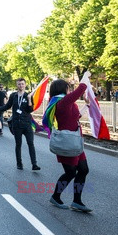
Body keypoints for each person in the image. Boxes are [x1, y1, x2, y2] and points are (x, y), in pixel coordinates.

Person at [45, 71, 92, 213]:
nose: (69, 90)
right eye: (67, 87)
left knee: (83, 170)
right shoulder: (62, 102)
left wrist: (87, 105)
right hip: (66, 143)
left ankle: (77, 201)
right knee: (70, 172)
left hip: (75, 142)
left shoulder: (65, 103)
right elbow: (81, 89)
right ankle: (56, 196)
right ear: (62, 89)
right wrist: (85, 76)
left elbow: (75, 117)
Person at [0, 78, 40, 170]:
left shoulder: (28, 96)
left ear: (25, 85)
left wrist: (30, 99)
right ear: (16, 85)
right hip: (16, 124)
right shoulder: (13, 96)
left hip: (26, 124)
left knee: (30, 143)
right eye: (19, 84)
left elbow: (30, 110)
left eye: (22, 84)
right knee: (18, 144)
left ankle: (34, 164)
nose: (21, 86)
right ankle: (19, 163)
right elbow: (7, 106)